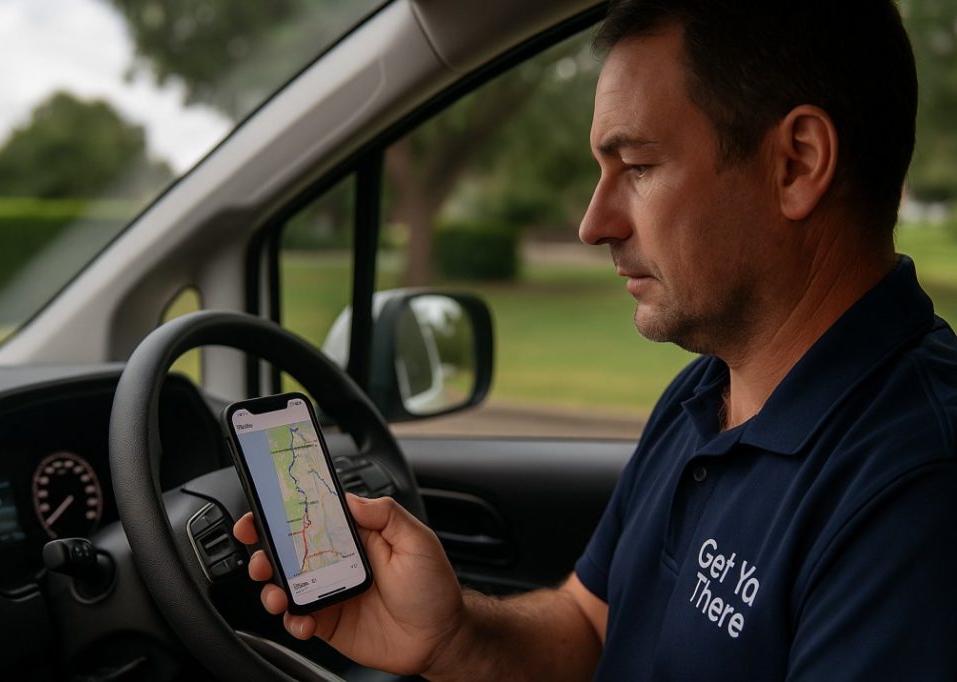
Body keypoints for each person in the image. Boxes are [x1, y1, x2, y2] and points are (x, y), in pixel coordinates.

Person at [234, 0, 957, 678]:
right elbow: (591, 624)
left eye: (637, 166)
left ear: (796, 163)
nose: (593, 223)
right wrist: (454, 638)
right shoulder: (708, 389)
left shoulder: (915, 492)